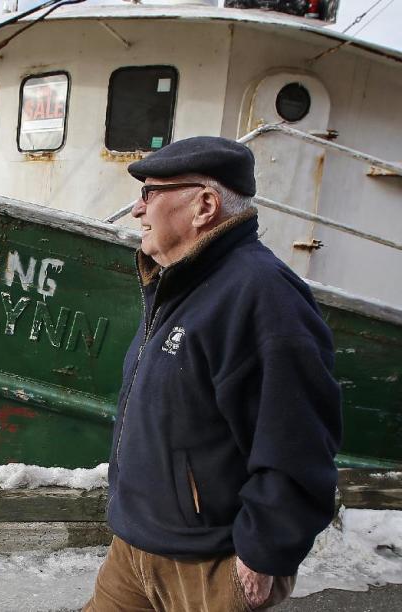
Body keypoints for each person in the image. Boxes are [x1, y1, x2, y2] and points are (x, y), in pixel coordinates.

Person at [84, 136, 342, 611]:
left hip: (207, 566)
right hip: (134, 551)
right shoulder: (180, 285)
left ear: (204, 205)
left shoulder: (263, 296)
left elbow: (299, 439)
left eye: (151, 194)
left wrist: (263, 554)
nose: (138, 210)